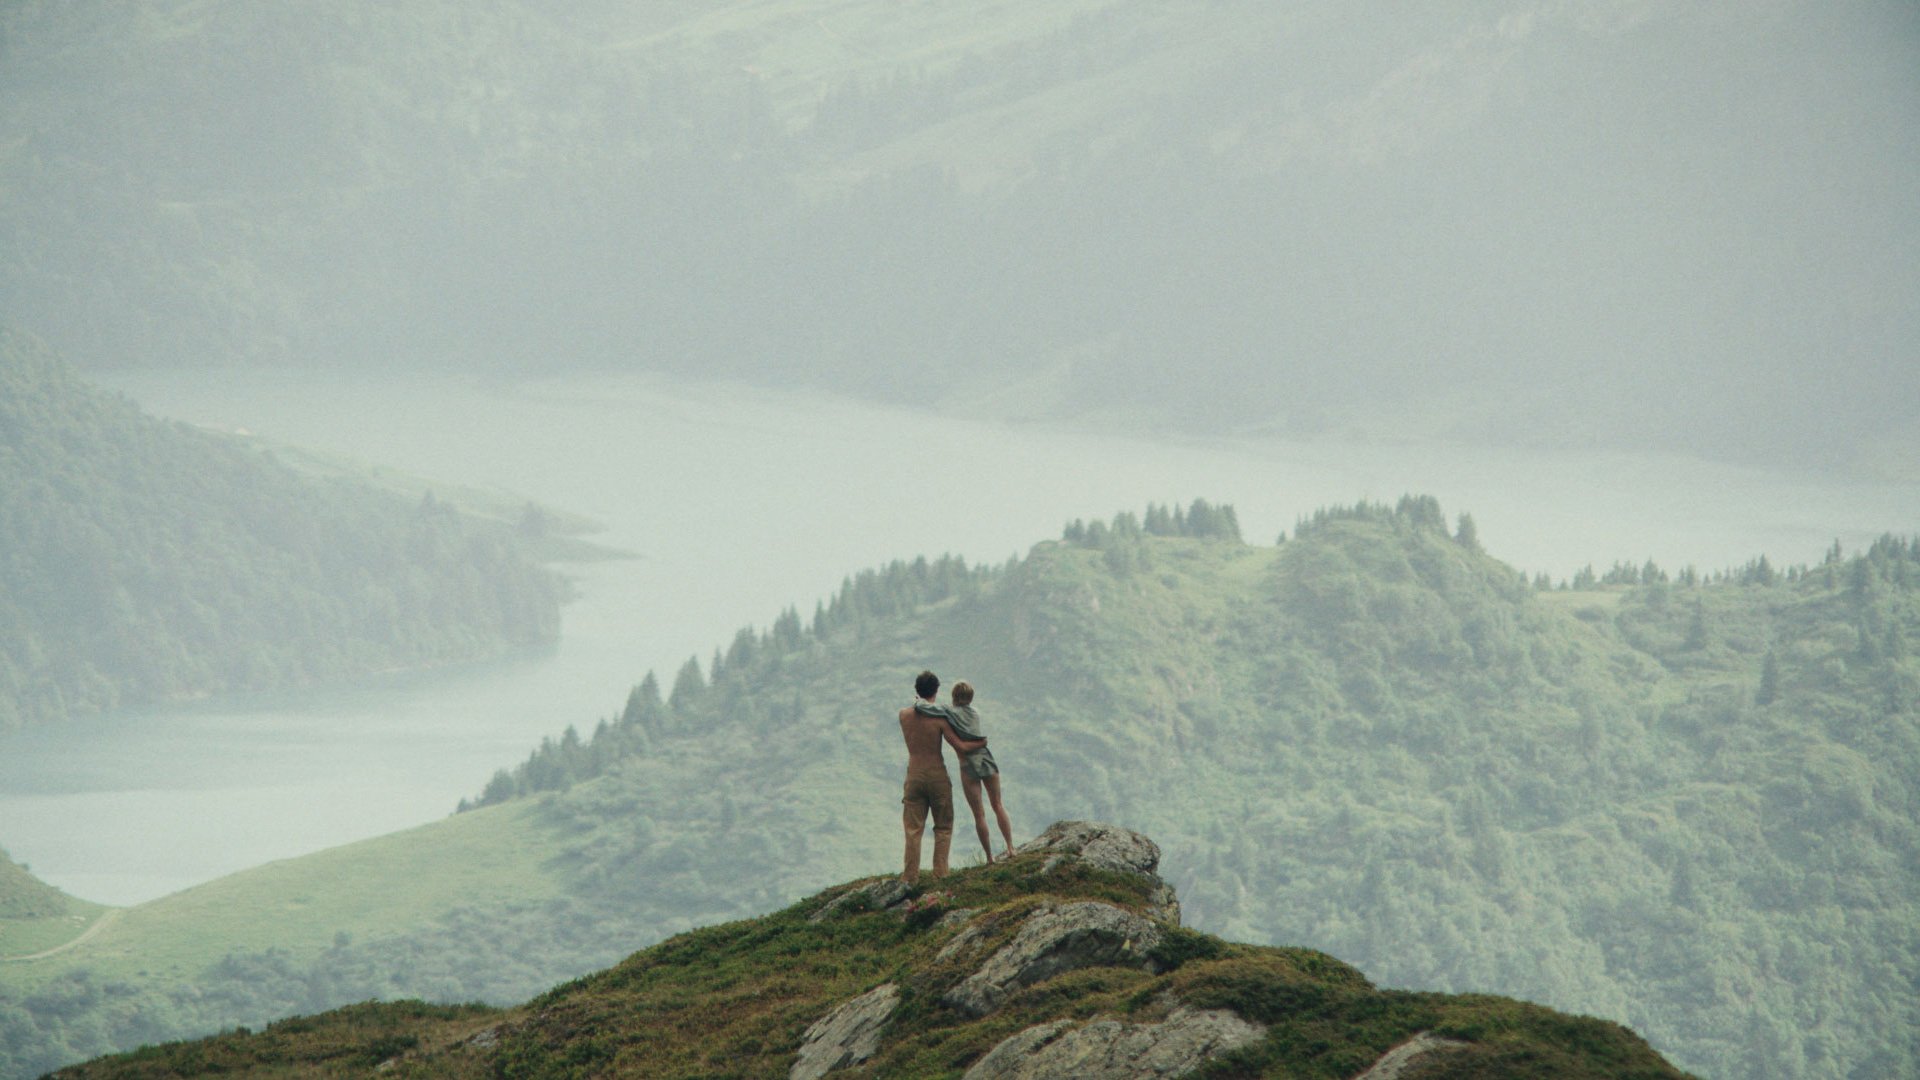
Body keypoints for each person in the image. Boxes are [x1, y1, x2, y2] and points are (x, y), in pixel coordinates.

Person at [898, 670, 983, 885]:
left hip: (914, 775)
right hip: (937, 776)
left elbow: (917, 709)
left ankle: (910, 878)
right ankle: (940, 875)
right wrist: (981, 743)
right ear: (936, 691)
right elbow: (960, 746)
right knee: (943, 826)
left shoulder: (904, 715)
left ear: (917, 689)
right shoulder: (940, 721)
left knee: (913, 829)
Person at [915, 681, 1013, 863]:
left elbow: (926, 708)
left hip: (968, 765)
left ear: (954, 696)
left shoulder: (951, 712)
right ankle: (1010, 847)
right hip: (986, 759)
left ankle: (990, 857)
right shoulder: (975, 713)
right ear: (971, 697)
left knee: (979, 814)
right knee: (998, 805)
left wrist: (917, 700)